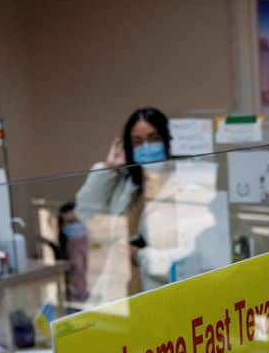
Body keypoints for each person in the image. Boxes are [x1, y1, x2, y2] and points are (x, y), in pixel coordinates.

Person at [75, 107, 187, 294]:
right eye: (138, 142)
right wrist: (108, 169)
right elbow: (86, 213)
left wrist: (138, 256)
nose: (146, 146)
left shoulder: (182, 187)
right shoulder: (124, 184)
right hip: (120, 291)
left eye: (153, 139)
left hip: (160, 294)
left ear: (166, 141)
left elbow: (187, 260)